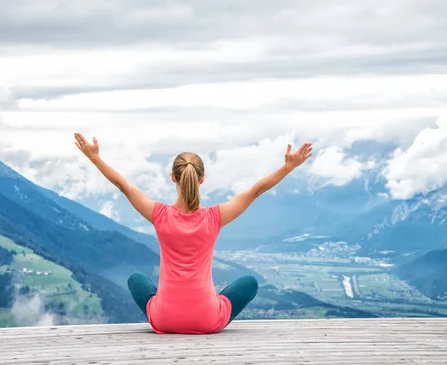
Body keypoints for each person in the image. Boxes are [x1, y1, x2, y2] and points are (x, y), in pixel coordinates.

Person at [74, 133, 313, 334]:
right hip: (206, 320)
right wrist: (288, 167)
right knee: (248, 282)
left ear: (172, 178)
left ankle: (171, 306)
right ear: (202, 179)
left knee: (136, 278)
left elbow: (123, 186)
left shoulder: (159, 215)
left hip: (164, 319)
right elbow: (255, 192)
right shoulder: (214, 217)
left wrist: (95, 158)